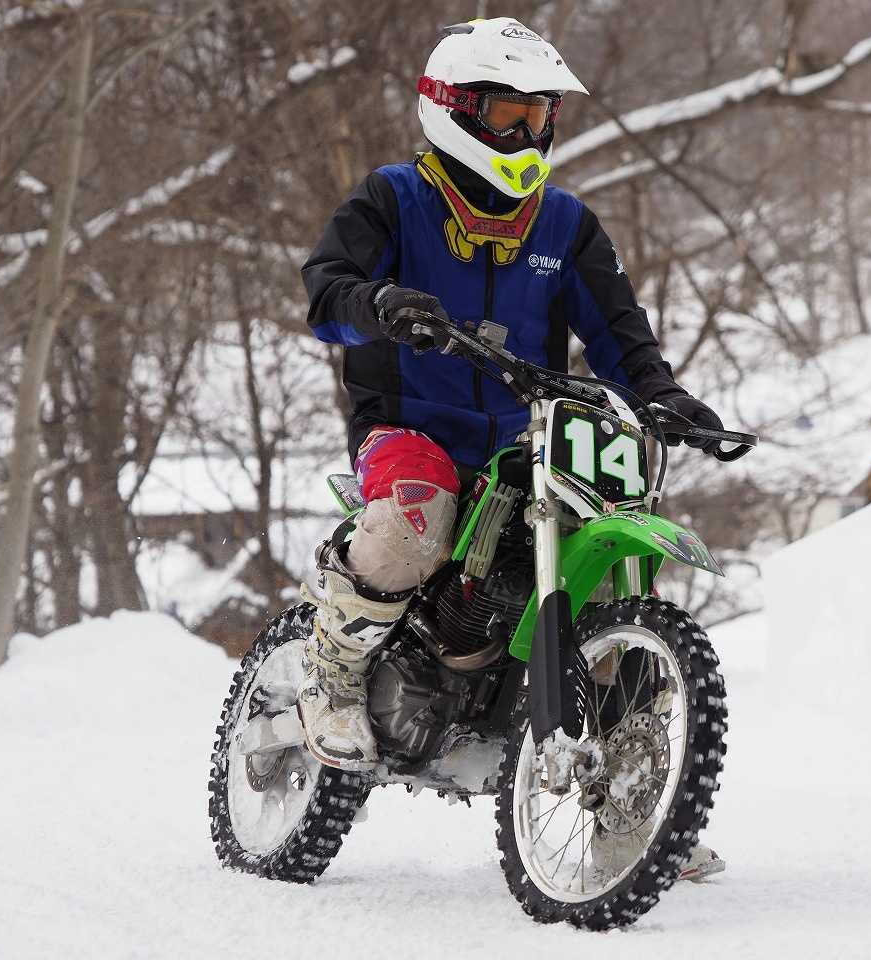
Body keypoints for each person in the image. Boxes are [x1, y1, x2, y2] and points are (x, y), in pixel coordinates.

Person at [299, 17, 724, 881]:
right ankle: (331, 671)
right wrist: (379, 306)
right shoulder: (393, 199)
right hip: (409, 427)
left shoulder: (564, 225)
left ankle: (636, 809)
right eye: (508, 115)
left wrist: (664, 398)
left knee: (597, 563)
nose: (528, 135)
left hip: (525, 436)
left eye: (540, 117)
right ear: (454, 109)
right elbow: (325, 290)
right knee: (417, 516)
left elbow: (622, 336)